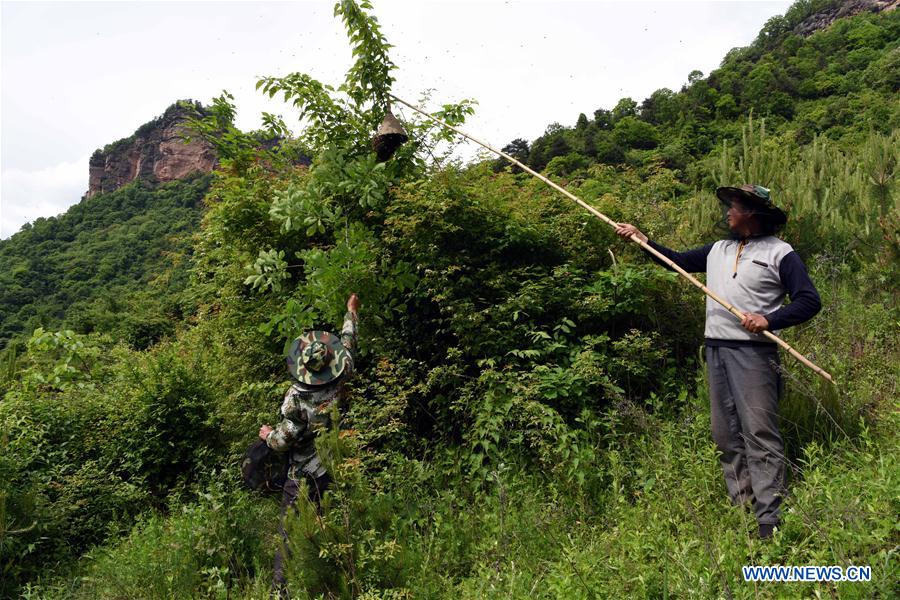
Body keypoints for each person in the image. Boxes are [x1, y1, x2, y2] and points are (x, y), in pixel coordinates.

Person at [614, 184, 821, 540]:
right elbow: (675, 262)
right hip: (716, 351)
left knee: (759, 433)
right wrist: (643, 240)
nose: (728, 212)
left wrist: (769, 320)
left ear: (752, 214)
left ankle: (769, 519)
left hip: (754, 354)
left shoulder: (781, 253)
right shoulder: (718, 250)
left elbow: (808, 300)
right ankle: (742, 508)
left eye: (734, 206)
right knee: (724, 434)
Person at [259, 292, 360, 592]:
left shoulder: (298, 399)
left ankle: (280, 591)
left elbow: (283, 441)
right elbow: (349, 342)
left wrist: (266, 435)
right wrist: (350, 312)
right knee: (332, 523)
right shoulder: (344, 375)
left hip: (303, 473)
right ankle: (337, 583)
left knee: (288, 532)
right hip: (334, 462)